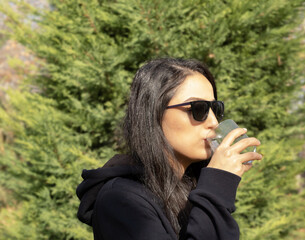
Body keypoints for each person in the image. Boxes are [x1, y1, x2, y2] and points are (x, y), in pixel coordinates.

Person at [76, 58, 262, 240]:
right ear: (154, 114)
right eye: (198, 108)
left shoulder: (190, 190)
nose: (213, 121)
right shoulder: (120, 200)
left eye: (215, 108)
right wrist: (216, 189)